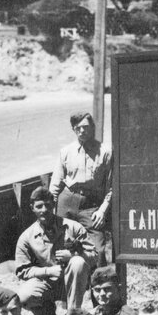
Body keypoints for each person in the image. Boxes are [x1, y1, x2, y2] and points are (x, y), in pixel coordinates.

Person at [14, 184, 95, 315]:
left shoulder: (73, 227)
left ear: (54, 205)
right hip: (47, 283)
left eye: (48, 205)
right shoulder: (27, 237)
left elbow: (94, 255)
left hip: (73, 283)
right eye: (39, 206)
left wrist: (73, 256)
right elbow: (22, 271)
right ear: (32, 208)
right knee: (23, 295)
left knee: (77, 262)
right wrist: (48, 271)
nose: (44, 210)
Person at [48, 111, 114, 267]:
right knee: (60, 247)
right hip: (67, 201)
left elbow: (111, 187)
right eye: (78, 128)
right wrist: (52, 211)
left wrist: (102, 210)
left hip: (91, 206)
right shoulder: (65, 152)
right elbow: (55, 184)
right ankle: (64, 288)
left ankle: (97, 289)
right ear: (73, 129)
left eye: (85, 127)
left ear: (92, 127)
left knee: (97, 250)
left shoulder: (105, 152)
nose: (82, 131)